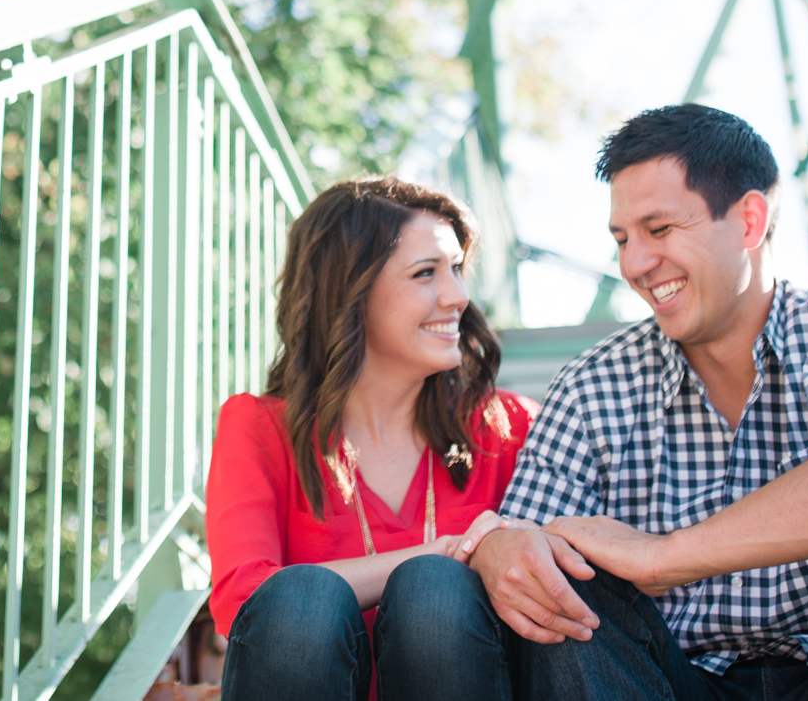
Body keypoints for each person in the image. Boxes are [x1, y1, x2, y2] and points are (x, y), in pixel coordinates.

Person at [467, 104, 808, 700]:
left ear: (750, 221)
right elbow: (526, 544)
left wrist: (667, 557)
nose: (634, 264)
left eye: (659, 231)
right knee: (556, 593)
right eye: (622, 239)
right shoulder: (590, 385)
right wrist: (503, 547)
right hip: (669, 682)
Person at [207, 176, 577, 701]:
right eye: (426, 273)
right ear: (350, 293)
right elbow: (243, 600)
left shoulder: (510, 427)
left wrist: (443, 569)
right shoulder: (259, 428)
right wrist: (444, 552)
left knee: (436, 593)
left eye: (456, 270)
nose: (458, 296)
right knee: (299, 599)